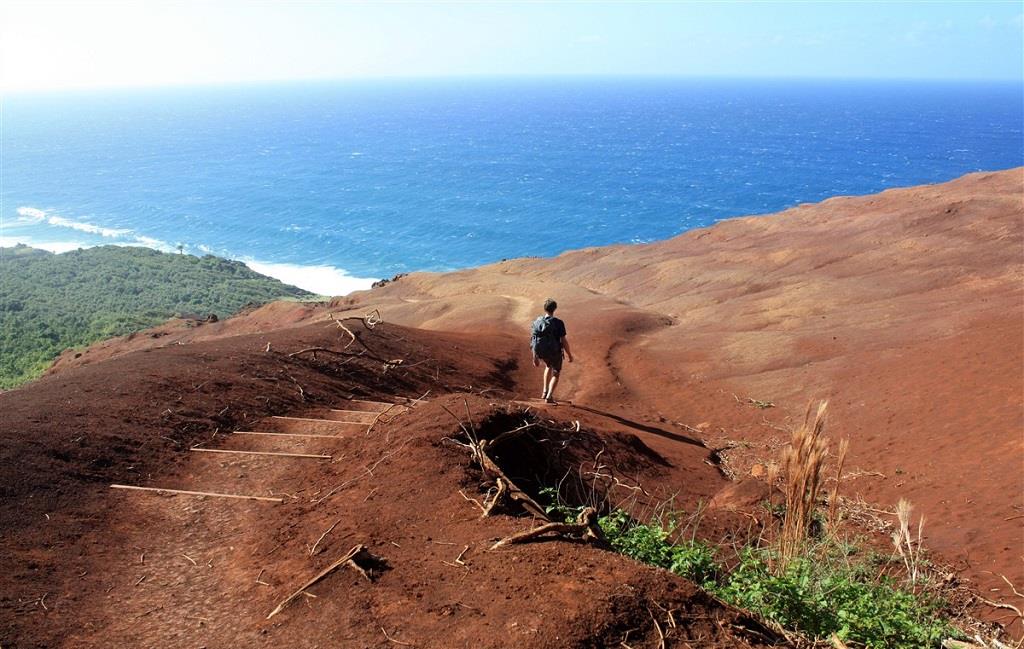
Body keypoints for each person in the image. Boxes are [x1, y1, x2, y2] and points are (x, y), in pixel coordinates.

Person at [530, 298, 573, 403]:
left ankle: (544, 392)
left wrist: (535, 357)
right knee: (556, 373)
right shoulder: (558, 323)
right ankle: (549, 396)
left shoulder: (537, 322)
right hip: (555, 352)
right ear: (555, 309)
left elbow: (533, 340)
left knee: (548, 366)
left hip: (542, 352)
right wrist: (569, 355)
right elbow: (563, 340)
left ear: (544, 308)